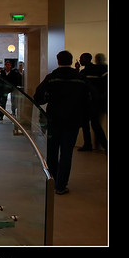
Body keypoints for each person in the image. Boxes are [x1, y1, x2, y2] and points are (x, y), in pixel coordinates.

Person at [34, 50, 90, 195]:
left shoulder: (52, 78)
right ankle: (61, 185)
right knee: (66, 154)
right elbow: (87, 100)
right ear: (71, 61)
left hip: (54, 121)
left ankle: (51, 180)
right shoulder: (80, 78)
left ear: (58, 60)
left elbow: (39, 97)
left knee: (52, 152)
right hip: (72, 122)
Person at [75, 53, 108, 153]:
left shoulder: (90, 71)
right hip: (91, 101)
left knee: (92, 124)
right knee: (88, 123)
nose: (80, 60)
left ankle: (103, 146)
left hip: (93, 101)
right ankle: (89, 144)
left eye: (82, 58)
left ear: (88, 59)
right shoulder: (88, 71)